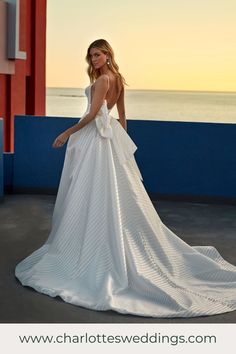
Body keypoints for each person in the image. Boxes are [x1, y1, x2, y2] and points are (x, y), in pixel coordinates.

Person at [15, 39, 236, 318]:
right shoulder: (118, 78)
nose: (93, 59)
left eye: (97, 54)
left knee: (92, 190)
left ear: (108, 55)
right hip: (108, 140)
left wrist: (66, 133)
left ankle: (95, 244)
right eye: (91, 55)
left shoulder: (103, 81)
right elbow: (122, 117)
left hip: (96, 140)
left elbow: (94, 115)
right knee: (111, 191)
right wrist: (122, 147)